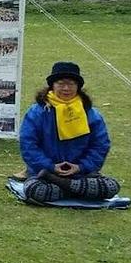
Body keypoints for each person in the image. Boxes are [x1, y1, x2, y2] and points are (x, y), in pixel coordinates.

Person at [19, 62, 120, 203]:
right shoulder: (37, 112)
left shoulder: (91, 114)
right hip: (45, 173)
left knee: (112, 187)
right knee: (37, 190)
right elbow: (28, 145)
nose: (66, 88)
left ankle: (65, 187)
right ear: (52, 86)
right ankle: (77, 190)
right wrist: (51, 166)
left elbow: (100, 145)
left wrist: (80, 167)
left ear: (78, 87)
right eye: (61, 83)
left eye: (71, 84)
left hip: (81, 174)